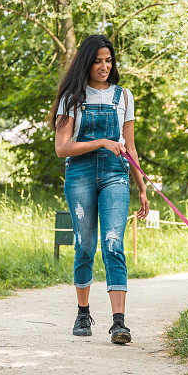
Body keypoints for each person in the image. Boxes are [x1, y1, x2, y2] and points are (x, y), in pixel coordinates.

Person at [49, 34, 150, 344]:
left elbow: (129, 146)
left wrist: (142, 188)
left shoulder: (125, 97)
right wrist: (103, 142)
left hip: (115, 176)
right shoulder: (72, 98)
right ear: (86, 63)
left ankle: (119, 323)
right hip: (79, 174)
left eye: (108, 60)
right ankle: (83, 313)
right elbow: (62, 148)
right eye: (97, 61)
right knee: (84, 245)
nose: (104, 66)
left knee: (113, 243)